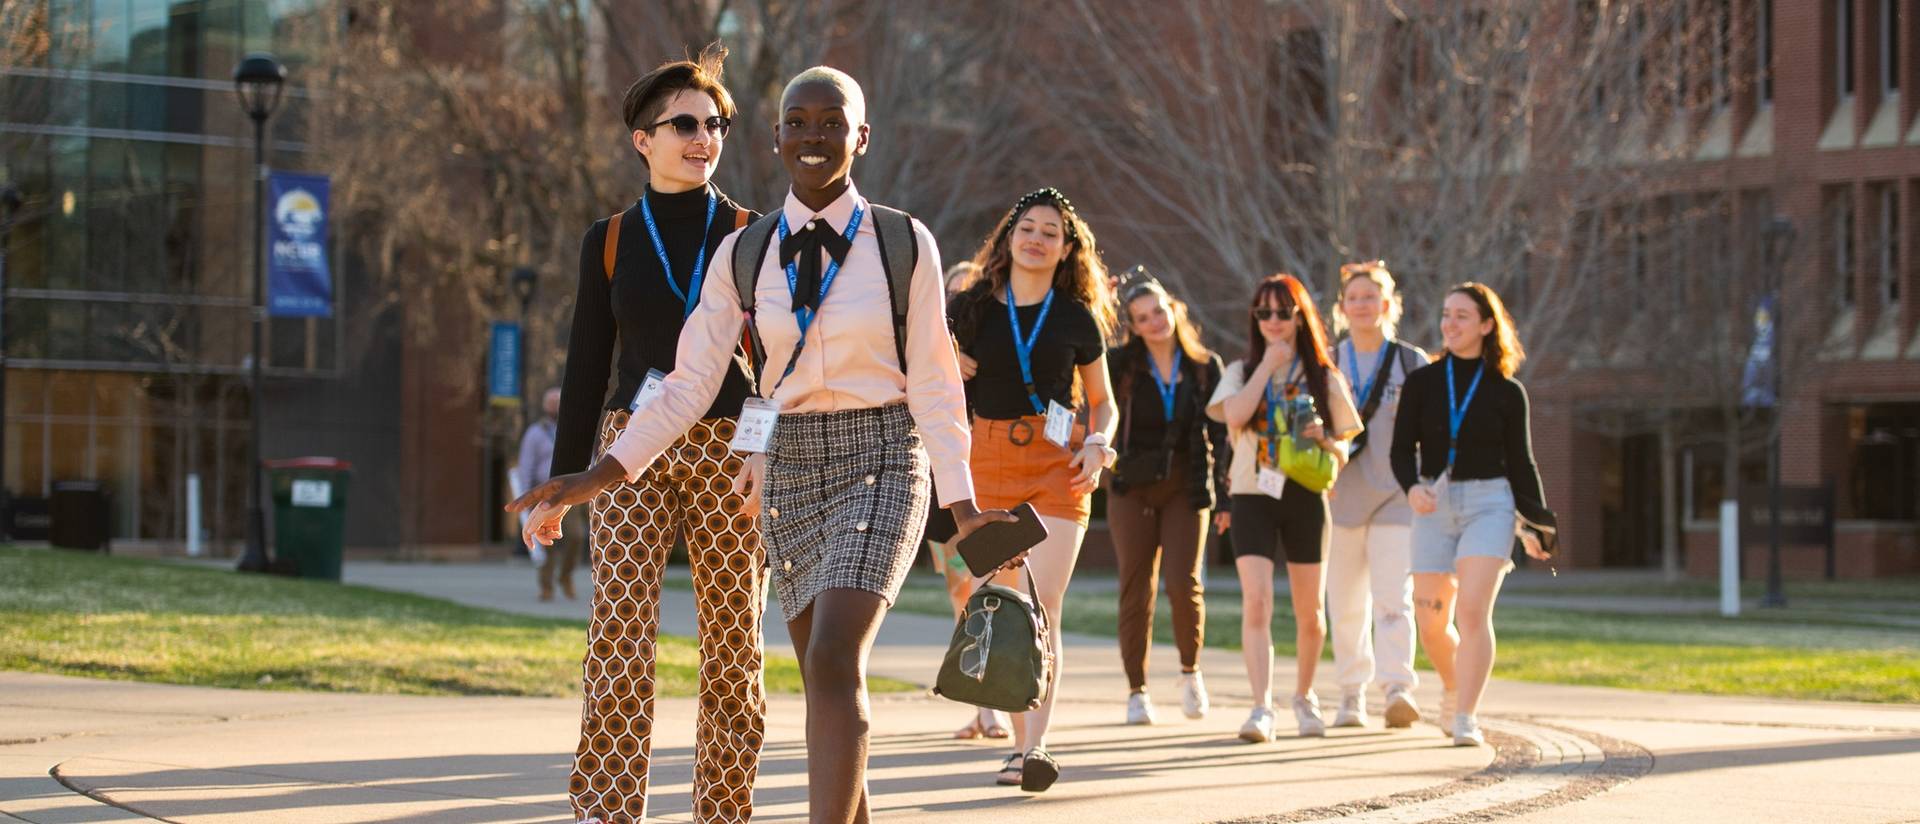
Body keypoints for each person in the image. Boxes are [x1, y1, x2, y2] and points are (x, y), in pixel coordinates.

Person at [512, 66, 1011, 824]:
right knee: (813, 677)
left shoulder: (896, 242)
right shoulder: (733, 254)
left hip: (857, 453)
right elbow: (673, 382)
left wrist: (962, 502)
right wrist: (591, 475)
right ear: (777, 137)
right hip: (771, 461)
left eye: (832, 122)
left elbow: (936, 385)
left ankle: (743, 812)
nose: (815, 136)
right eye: (798, 122)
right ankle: (615, 809)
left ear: (861, 136)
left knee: (811, 656)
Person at [518, 47, 766, 824]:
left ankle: (724, 808)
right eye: (684, 123)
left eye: (715, 123)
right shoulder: (611, 239)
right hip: (631, 449)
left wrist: (763, 447)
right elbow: (587, 366)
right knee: (618, 628)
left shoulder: (748, 234)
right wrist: (560, 489)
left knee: (734, 640)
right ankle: (607, 806)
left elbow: (775, 362)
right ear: (642, 139)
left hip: (730, 443)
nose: (703, 137)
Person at [948, 186, 1117, 791]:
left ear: (1067, 247)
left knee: (1043, 605)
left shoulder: (1075, 316)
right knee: (1001, 603)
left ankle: (1033, 747)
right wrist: (947, 357)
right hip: (987, 461)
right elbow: (923, 375)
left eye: (1051, 231)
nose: (1038, 238)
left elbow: (1103, 403)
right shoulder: (969, 309)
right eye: (1028, 228)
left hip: (1056, 467)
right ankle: (1019, 740)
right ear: (1009, 236)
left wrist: (1098, 444)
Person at [1390, 282, 1555, 747]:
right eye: (1446, 314)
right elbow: (1401, 450)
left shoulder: (1507, 391)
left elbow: (1522, 462)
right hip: (1434, 504)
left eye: (1462, 315)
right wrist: (1412, 489)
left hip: (1490, 504)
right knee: (1430, 621)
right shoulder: (1422, 382)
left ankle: (1465, 715)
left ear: (1486, 325)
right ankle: (1452, 683)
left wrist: (1539, 523)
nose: (1450, 324)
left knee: (1473, 611)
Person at [1206, 274, 1361, 742]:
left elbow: (1346, 446)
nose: (1273, 321)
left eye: (1282, 312)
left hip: (1305, 496)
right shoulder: (1240, 369)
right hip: (1253, 493)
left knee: (1309, 610)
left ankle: (1305, 696)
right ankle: (1261, 707)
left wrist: (1326, 440)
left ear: (1299, 316)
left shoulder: (1323, 374)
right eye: (1264, 313)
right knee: (1256, 600)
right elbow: (1232, 416)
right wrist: (1266, 366)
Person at [1103, 276, 1226, 725]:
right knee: (1136, 587)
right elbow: (1096, 399)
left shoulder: (1204, 366)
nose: (1154, 322)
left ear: (1174, 309)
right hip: (1131, 487)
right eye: (1142, 318)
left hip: (1184, 485)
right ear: (1132, 326)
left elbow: (1219, 433)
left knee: (1182, 582)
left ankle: (1190, 672)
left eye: (1159, 311)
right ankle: (1137, 690)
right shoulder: (1121, 364)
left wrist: (1224, 497)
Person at [1325, 261, 1431, 730]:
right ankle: (1351, 694)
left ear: (1388, 305)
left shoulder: (1412, 362)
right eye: (1354, 298)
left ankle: (1397, 690)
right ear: (1342, 308)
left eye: (1372, 297)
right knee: (1345, 601)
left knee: (1393, 597)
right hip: (1340, 495)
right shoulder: (1327, 361)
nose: (1363, 305)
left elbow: (1433, 431)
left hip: (1395, 495)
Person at [924, 260, 1012, 742]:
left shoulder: (997, 351)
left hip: (994, 484)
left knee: (991, 593)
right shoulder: (930, 356)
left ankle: (993, 704)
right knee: (963, 595)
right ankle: (982, 702)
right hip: (947, 492)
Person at [514, 386, 584, 601]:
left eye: (558, 402)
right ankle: (546, 586)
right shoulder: (534, 433)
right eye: (551, 402)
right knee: (545, 543)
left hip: (569, 492)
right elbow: (525, 465)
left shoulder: (574, 430)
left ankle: (565, 576)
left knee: (576, 536)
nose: (555, 406)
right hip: (543, 494)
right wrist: (526, 496)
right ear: (545, 406)